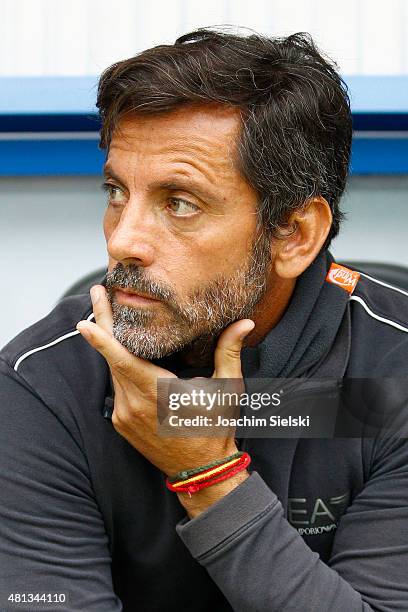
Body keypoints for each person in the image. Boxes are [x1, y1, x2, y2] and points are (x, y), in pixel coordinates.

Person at [1, 27, 408, 612]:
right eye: (116, 192)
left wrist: (210, 477)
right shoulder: (41, 384)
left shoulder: (389, 382)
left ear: (292, 236)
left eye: (180, 203)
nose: (124, 240)